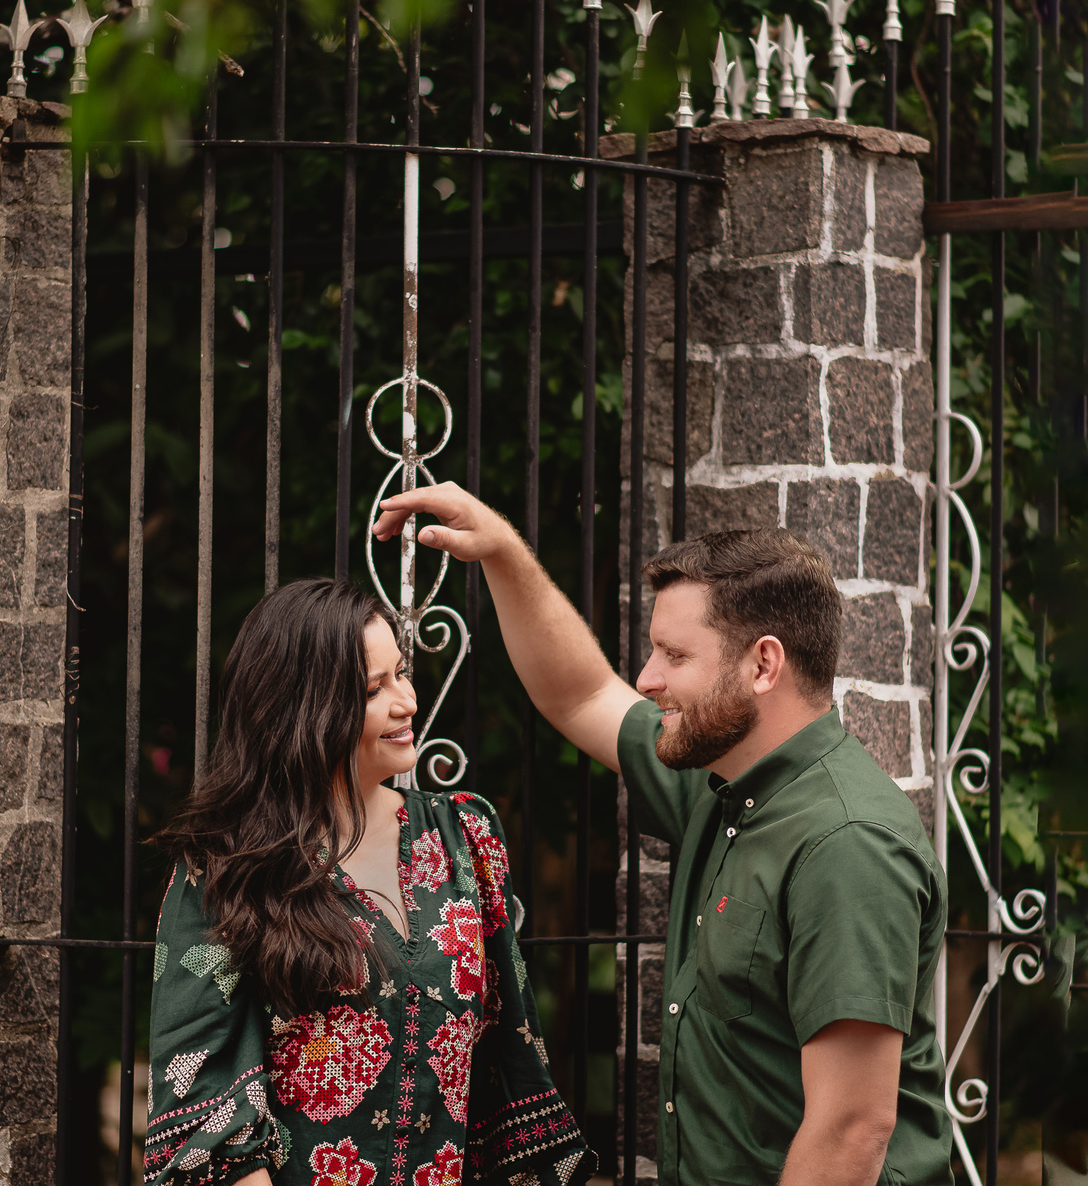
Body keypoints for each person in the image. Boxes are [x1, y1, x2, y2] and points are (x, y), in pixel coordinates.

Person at [373, 485, 955, 1186]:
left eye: (674, 656)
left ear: (763, 665)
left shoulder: (848, 844)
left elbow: (852, 1129)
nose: (647, 678)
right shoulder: (722, 780)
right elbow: (582, 693)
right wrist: (501, 549)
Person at [143, 578, 594, 1186]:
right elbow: (200, 1094)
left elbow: (510, 1060)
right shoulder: (224, 865)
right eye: (372, 689)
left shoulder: (464, 838)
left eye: (402, 674)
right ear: (301, 706)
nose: (406, 700)